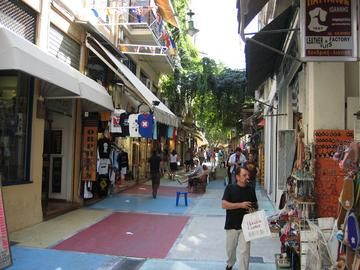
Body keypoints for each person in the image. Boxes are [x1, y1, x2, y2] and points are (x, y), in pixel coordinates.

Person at [222, 167, 258, 270]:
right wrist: (240, 205)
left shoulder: (251, 189)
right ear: (237, 177)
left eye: (248, 175)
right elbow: (224, 205)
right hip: (232, 224)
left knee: (245, 251)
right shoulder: (230, 188)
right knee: (230, 249)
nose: (247, 177)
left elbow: (255, 205)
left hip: (246, 226)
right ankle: (230, 263)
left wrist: (254, 210)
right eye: (244, 175)